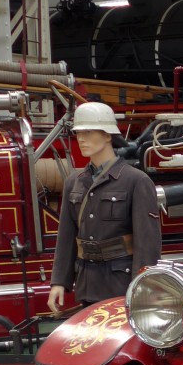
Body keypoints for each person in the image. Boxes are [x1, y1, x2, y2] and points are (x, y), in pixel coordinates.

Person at [47, 101, 161, 313]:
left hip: (121, 284)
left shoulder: (135, 181)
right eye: (78, 133)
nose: (81, 139)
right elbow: (66, 236)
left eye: (89, 132)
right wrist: (59, 282)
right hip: (87, 283)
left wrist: (142, 287)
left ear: (108, 135)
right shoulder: (75, 182)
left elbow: (147, 243)